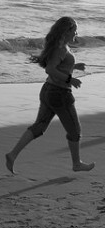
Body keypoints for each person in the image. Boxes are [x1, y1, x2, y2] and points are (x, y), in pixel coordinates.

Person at [5, 16, 94, 174]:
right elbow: (50, 69)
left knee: (39, 127)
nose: (77, 33)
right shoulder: (61, 48)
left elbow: (57, 66)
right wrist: (70, 79)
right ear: (67, 31)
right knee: (75, 131)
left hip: (48, 91)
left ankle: (12, 155)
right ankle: (77, 164)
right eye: (75, 30)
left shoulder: (59, 46)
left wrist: (74, 66)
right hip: (60, 94)